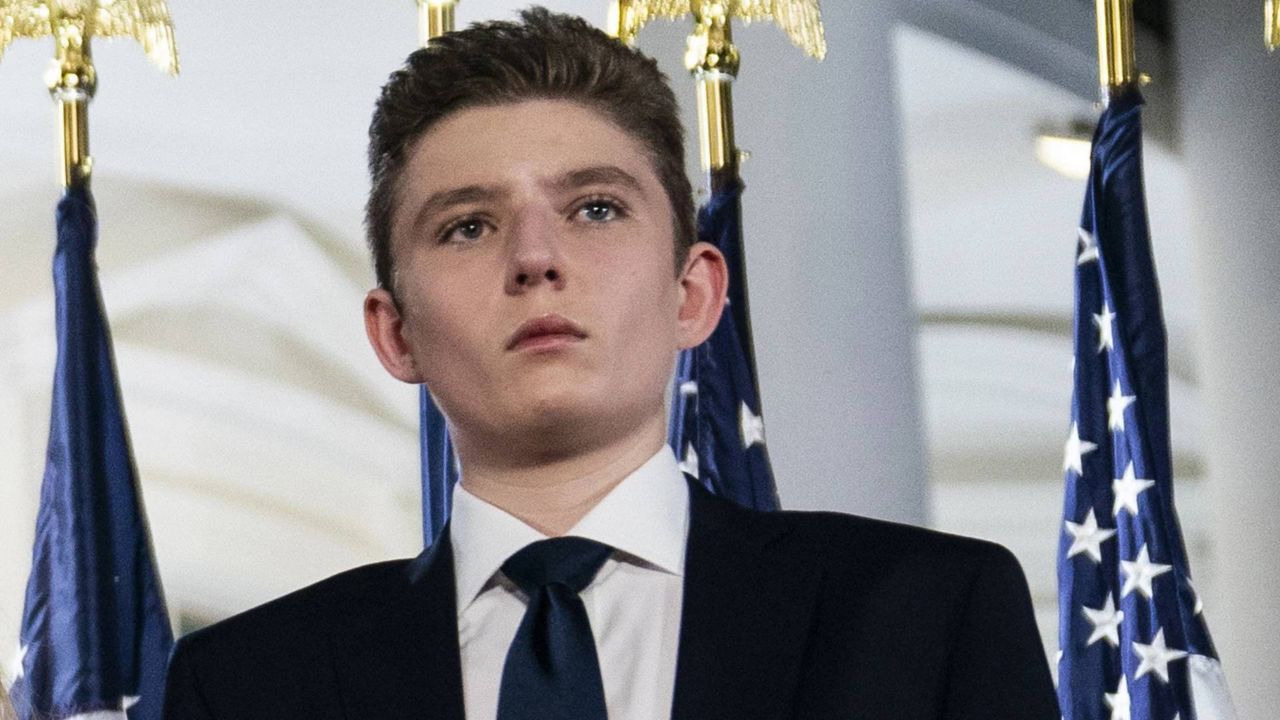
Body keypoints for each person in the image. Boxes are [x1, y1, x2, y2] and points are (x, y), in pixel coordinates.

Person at [163, 8, 1059, 719]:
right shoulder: (247, 684)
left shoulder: (927, 616)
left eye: (594, 209)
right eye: (468, 225)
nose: (535, 257)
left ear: (693, 294)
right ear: (395, 334)